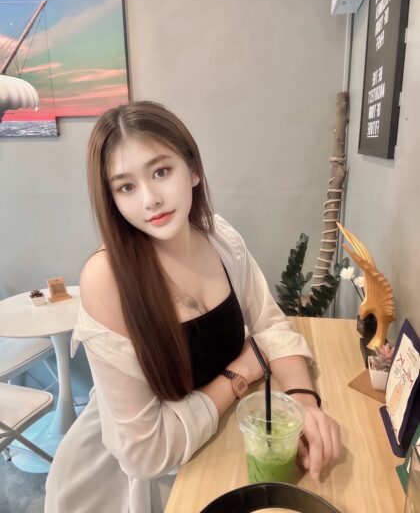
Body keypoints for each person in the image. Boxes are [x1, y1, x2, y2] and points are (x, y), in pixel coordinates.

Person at [45, 101, 340, 512]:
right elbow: (144, 453)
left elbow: (270, 326)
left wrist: (302, 403)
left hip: (217, 445)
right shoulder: (107, 279)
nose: (150, 199)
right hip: (128, 483)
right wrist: (241, 373)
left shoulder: (220, 239)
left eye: (161, 172)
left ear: (194, 170)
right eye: (126, 187)